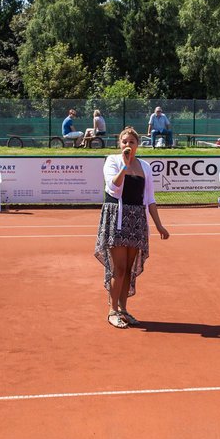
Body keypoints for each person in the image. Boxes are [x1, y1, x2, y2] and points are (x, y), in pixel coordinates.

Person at [96, 127, 169, 328]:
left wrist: (159, 225)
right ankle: (112, 311)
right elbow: (113, 186)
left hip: (137, 219)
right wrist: (125, 167)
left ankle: (123, 309)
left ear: (138, 145)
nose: (128, 145)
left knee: (128, 269)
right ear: (120, 144)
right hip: (117, 218)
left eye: (132, 142)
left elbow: (150, 199)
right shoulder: (112, 161)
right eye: (124, 142)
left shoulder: (145, 166)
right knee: (118, 268)